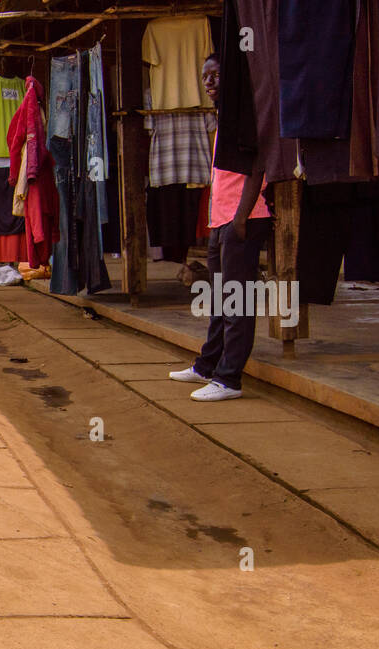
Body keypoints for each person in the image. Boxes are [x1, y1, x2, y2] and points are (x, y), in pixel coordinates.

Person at [169, 52, 272, 402]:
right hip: (221, 219)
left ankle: (229, 379)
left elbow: (259, 165)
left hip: (244, 217)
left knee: (237, 302)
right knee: (217, 299)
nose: (209, 83)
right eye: (205, 77)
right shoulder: (224, 117)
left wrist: (240, 218)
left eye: (215, 75)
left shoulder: (246, 114)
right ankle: (207, 365)